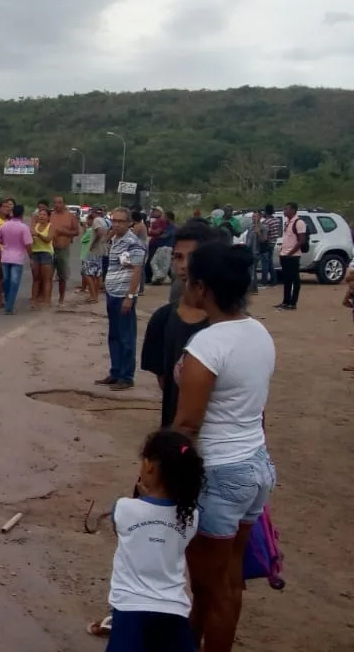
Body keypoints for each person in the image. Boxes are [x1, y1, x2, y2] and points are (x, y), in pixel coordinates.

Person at [173, 242, 276, 652]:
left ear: (202, 288)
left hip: (219, 472)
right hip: (254, 465)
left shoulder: (208, 346)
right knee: (226, 582)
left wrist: (155, 481)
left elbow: (187, 425)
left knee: (210, 586)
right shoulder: (258, 331)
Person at [94, 429, 204, 651]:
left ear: (149, 466)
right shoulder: (191, 517)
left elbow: (126, 533)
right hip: (174, 610)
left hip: (130, 609)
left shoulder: (124, 508)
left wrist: (141, 498)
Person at [140, 222, 219, 427]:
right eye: (178, 257)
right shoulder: (162, 319)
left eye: (192, 257)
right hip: (177, 438)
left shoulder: (228, 323)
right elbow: (167, 385)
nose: (183, 265)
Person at [97, 207, 147, 391]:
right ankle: (115, 372)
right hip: (112, 293)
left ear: (129, 223)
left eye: (121, 221)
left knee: (126, 337)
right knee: (114, 335)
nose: (117, 224)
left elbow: (137, 270)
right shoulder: (115, 240)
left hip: (124, 295)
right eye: (114, 220)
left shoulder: (133, 242)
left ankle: (126, 377)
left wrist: (130, 296)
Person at [0, 204, 33, 315]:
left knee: (6, 281)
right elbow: (28, 244)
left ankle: (8, 302)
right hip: (17, 258)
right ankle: (9, 306)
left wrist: (5, 244)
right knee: (14, 283)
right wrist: (31, 257)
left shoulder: (5, 225)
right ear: (22, 214)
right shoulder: (23, 227)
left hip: (5, 256)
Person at [49, 196, 81, 307]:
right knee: (48, 275)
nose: (57, 205)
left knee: (62, 276)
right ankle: (46, 298)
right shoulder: (51, 215)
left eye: (59, 203)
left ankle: (61, 299)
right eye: (55, 203)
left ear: (64, 204)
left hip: (63, 249)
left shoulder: (70, 216)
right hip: (50, 249)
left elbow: (76, 232)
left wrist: (63, 231)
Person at [276, 202, 305, 310]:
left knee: (294, 279)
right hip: (285, 254)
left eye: (286, 209)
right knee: (287, 279)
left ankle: (293, 303)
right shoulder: (287, 222)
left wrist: (291, 253)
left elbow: (302, 240)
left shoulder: (299, 222)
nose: (284, 211)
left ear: (293, 210)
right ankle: (285, 301)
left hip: (293, 256)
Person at [30, 208, 54, 310]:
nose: (41, 217)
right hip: (35, 253)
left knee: (46, 279)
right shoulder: (35, 226)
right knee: (36, 278)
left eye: (44, 215)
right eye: (40, 215)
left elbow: (48, 239)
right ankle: (34, 300)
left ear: (48, 217)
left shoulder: (51, 226)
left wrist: (38, 234)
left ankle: (47, 300)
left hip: (46, 253)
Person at [258, 204, 280, 286]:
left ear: (266, 212)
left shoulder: (266, 222)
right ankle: (274, 280)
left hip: (267, 243)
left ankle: (264, 281)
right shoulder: (276, 220)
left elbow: (265, 234)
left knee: (265, 263)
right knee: (269, 262)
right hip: (273, 242)